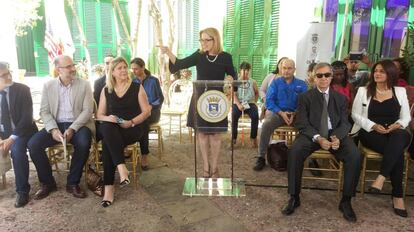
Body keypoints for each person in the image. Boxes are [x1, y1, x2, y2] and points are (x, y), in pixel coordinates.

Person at [282, 62, 361, 223]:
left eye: (327, 75)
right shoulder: (305, 97)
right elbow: (302, 123)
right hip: (312, 134)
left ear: (332, 77)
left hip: (335, 135)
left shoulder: (341, 98)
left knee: (354, 155)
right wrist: (318, 138)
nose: (323, 78)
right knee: (295, 151)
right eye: (319, 75)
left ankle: (346, 201)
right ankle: (294, 197)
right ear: (314, 77)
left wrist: (337, 137)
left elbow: (345, 123)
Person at [159, 27, 236, 178]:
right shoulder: (199, 56)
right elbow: (180, 64)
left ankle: (215, 168)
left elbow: (233, 75)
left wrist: (231, 79)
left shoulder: (226, 57)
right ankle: (206, 168)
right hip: (200, 98)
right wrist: (168, 52)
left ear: (215, 39)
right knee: (202, 134)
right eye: (201, 40)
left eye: (207, 40)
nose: (203, 43)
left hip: (216, 100)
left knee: (215, 135)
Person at [28, 55, 94, 200]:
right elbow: (44, 111)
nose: (73, 69)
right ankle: (47, 183)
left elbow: (88, 110)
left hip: (78, 123)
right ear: (59, 70)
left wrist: (72, 129)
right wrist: (52, 129)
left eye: (73, 65)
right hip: (56, 124)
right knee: (33, 144)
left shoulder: (84, 85)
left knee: (83, 143)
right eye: (69, 67)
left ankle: (72, 183)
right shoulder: (48, 86)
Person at [351, 60, 411, 218]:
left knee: (399, 137)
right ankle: (397, 196)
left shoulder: (400, 91)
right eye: (376, 71)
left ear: (390, 74)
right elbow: (355, 114)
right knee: (397, 153)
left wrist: (397, 125)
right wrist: (372, 125)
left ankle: (381, 177)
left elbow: (406, 117)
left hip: (395, 131)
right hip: (370, 131)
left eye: (382, 71)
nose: (377, 74)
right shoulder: (363, 90)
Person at [97, 57, 151, 207]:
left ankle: (109, 187)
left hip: (133, 128)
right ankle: (121, 168)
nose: (123, 70)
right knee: (107, 127)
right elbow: (99, 115)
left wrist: (131, 122)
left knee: (108, 141)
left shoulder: (136, 87)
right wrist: (110, 118)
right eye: (119, 68)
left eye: (124, 67)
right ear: (112, 72)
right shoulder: (106, 90)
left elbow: (147, 112)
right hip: (113, 129)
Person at [253, 59, 307, 171]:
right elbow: (269, 101)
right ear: (280, 69)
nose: (286, 71)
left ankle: (309, 158)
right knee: (266, 124)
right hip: (278, 113)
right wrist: (281, 113)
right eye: (284, 68)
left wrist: (295, 112)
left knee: (307, 126)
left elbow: (305, 102)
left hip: (295, 114)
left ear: (294, 70)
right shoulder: (275, 83)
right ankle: (261, 157)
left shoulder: (301, 84)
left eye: (289, 68)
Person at [0, 62, 37, 207]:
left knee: (16, 150)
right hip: (3, 133)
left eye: (9, 73)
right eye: (3, 75)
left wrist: (11, 138)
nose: (8, 76)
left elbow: (27, 119)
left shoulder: (22, 90)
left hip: (23, 132)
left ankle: (22, 191)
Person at [131, 57, 164, 170]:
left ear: (143, 67)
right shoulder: (133, 82)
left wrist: (151, 106)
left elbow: (160, 98)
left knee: (142, 122)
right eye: (132, 69)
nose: (133, 71)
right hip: (138, 112)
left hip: (153, 112)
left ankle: (144, 155)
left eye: (136, 69)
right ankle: (130, 149)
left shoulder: (153, 81)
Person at [231, 61, 259, 148]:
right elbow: (234, 95)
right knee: (234, 115)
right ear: (240, 70)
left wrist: (254, 101)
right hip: (238, 103)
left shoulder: (252, 82)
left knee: (255, 115)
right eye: (244, 70)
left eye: (247, 70)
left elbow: (257, 93)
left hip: (250, 103)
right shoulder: (237, 81)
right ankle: (233, 138)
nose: (245, 72)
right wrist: (239, 104)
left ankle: (253, 138)